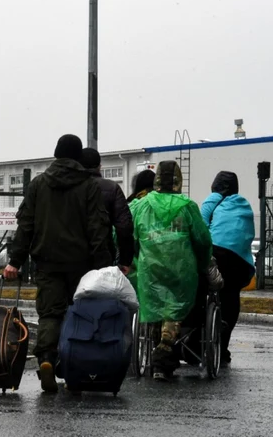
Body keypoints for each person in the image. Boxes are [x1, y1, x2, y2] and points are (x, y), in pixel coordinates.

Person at [3, 134, 112, 393]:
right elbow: (98, 227)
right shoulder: (89, 186)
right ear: (77, 157)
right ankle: (76, 363)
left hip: (47, 262)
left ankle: (47, 359)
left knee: (50, 313)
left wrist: (15, 261)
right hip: (82, 264)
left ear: (55, 153)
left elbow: (25, 225)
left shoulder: (39, 184)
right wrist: (104, 265)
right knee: (83, 313)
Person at [132, 161, 213, 381]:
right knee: (173, 308)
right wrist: (203, 264)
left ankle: (160, 352)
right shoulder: (187, 206)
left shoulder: (141, 206)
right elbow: (203, 241)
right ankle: (166, 346)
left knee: (157, 304)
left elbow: (122, 234)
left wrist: (133, 259)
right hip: (182, 271)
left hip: (150, 271)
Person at [201, 171, 255, 365]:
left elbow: (201, 228)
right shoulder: (244, 204)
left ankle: (198, 339)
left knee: (201, 287)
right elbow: (247, 233)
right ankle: (222, 349)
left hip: (216, 253)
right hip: (239, 261)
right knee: (231, 296)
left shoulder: (212, 200)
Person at [80, 148, 134, 271]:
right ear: (100, 166)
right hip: (102, 256)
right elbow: (124, 227)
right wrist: (125, 260)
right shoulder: (112, 188)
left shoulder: (69, 187)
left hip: (70, 257)